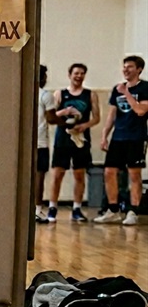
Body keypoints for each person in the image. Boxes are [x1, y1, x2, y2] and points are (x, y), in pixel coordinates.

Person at [93, 55, 148, 225]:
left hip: (136, 137)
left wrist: (127, 93)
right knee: (109, 172)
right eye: (124, 67)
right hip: (118, 137)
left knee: (134, 174)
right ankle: (113, 210)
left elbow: (140, 110)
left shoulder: (145, 87)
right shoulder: (117, 89)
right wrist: (104, 136)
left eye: (130, 67)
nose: (125, 70)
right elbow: (112, 114)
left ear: (139, 69)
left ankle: (133, 211)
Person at [47, 63, 99, 222]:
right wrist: (64, 112)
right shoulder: (59, 94)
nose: (79, 76)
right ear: (69, 75)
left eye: (82, 73)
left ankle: (77, 208)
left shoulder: (90, 94)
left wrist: (84, 126)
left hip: (81, 139)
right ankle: (52, 207)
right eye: (76, 73)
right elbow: (51, 116)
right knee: (57, 174)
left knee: (79, 174)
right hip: (63, 138)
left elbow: (96, 118)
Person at [36, 64, 55, 223]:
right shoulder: (45, 95)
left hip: (24, 142)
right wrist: (66, 120)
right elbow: (51, 118)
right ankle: (37, 210)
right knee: (38, 176)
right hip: (40, 142)